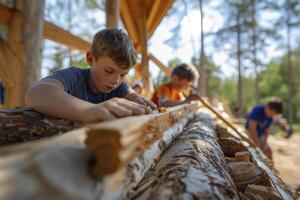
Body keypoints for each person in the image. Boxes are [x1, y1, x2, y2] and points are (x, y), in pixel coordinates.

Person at [26, 28, 156, 123]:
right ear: (91, 59)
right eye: (109, 71)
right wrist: (89, 110)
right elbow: (35, 94)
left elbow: (131, 93)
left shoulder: (119, 87)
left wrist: (137, 99)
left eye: (123, 74)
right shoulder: (75, 77)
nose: (116, 80)